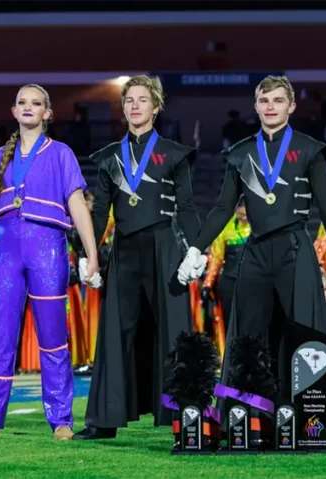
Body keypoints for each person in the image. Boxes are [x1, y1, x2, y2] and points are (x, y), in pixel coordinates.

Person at [177, 75, 326, 403]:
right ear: (256, 107)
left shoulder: (308, 149)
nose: (270, 107)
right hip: (256, 250)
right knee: (248, 331)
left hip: (295, 247)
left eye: (277, 100)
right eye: (264, 101)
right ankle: (246, 413)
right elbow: (222, 207)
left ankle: (308, 412)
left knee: (304, 328)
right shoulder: (241, 153)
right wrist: (194, 247)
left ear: (291, 105)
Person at [0, 84, 100, 441]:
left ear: (47, 114)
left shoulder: (62, 154)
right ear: (13, 110)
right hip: (4, 253)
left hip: (48, 250)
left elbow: (78, 205)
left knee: (53, 338)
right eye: (22, 102)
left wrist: (91, 252)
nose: (28, 107)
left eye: (36, 103)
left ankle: (61, 420)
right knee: (1, 338)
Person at [74, 75, 201, 440]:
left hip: (165, 247)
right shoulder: (111, 157)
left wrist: (196, 248)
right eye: (129, 99)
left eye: (142, 100)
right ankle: (103, 420)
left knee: (176, 331)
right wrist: (89, 254)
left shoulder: (174, 154)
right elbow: (99, 214)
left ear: (155, 107)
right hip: (125, 249)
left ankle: (185, 419)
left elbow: (188, 208)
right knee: (115, 330)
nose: (134, 106)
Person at [201, 199, 250, 355]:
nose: (243, 218)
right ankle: (231, 358)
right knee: (229, 323)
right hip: (229, 282)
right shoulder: (226, 228)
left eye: (246, 215)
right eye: (240, 214)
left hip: (253, 282)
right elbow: (216, 257)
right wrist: (208, 284)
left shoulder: (261, 226)